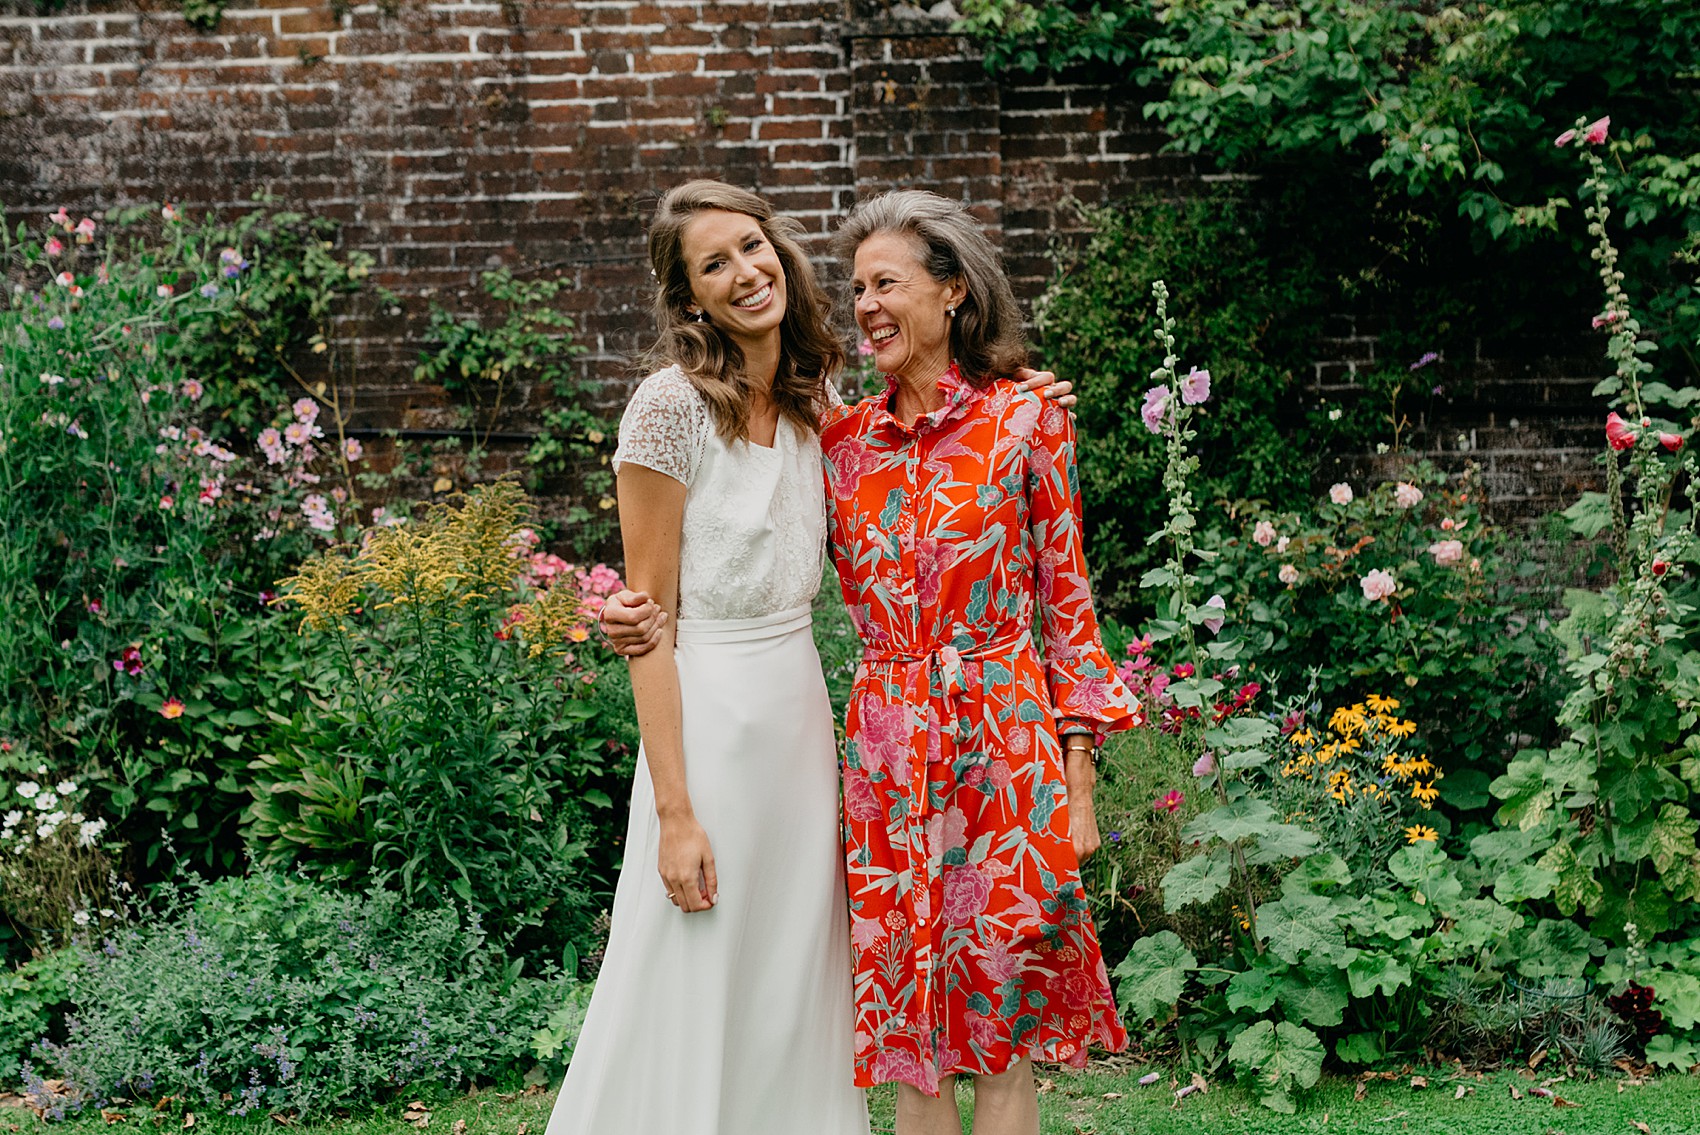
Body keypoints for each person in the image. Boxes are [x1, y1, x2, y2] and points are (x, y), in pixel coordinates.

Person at [603, 189, 1136, 1135]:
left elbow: (1069, 604)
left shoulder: (1027, 424)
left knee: (1003, 1034)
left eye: (886, 284)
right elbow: (743, 549)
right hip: (887, 758)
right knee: (911, 1047)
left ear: (954, 294)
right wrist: (637, 611)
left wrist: (1081, 773)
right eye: (857, 289)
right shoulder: (842, 441)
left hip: (1007, 751)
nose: (868, 306)